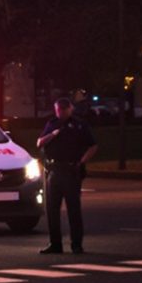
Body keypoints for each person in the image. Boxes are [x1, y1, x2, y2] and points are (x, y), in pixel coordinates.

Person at [36, 97, 96, 254]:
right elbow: (40, 142)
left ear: (71, 109)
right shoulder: (52, 124)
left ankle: (76, 244)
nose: (60, 112)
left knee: (73, 209)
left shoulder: (79, 125)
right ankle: (55, 243)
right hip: (54, 170)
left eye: (64, 109)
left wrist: (81, 162)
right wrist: (53, 135)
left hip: (71, 169)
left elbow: (93, 145)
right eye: (58, 110)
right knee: (52, 209)